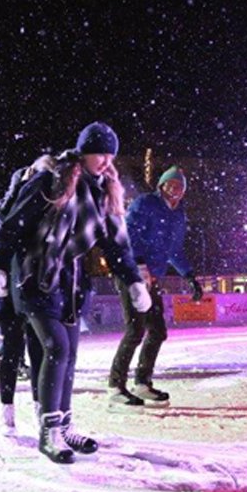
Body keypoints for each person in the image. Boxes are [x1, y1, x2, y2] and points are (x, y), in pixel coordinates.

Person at [0, 122, 151, 464]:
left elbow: (116, 244)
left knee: (70, 353)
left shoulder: (105, 190)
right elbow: (15, 222)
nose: (106, 160)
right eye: (99, 152)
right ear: (84, 151)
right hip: (34, 274)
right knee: (55, 347)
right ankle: (49, 433)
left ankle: (64, 425)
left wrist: (133, 280)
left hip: (71, 282)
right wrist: (0, 263)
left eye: (111, 154)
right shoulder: (54, 178)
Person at [108, 165, 200, 407]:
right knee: (135, 330)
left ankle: (142, 383)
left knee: (157, 330)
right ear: (161, 185)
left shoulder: (178, 214)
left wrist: (189, 275)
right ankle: (116, 386)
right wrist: (138, 263)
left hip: (152, 279)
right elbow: (128, 233)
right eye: (171, 184)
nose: (175, 189)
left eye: (180, 186)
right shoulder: (145, 203)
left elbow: (174, 250)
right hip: (130, 272)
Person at [0, 160, 47, 435]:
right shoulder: (9, 214)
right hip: (10, 291)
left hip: (32, 285)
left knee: (38, 351)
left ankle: (40, 410)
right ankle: (6, 411)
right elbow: (4, 223)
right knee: (12, 350)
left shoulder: (42, 211)